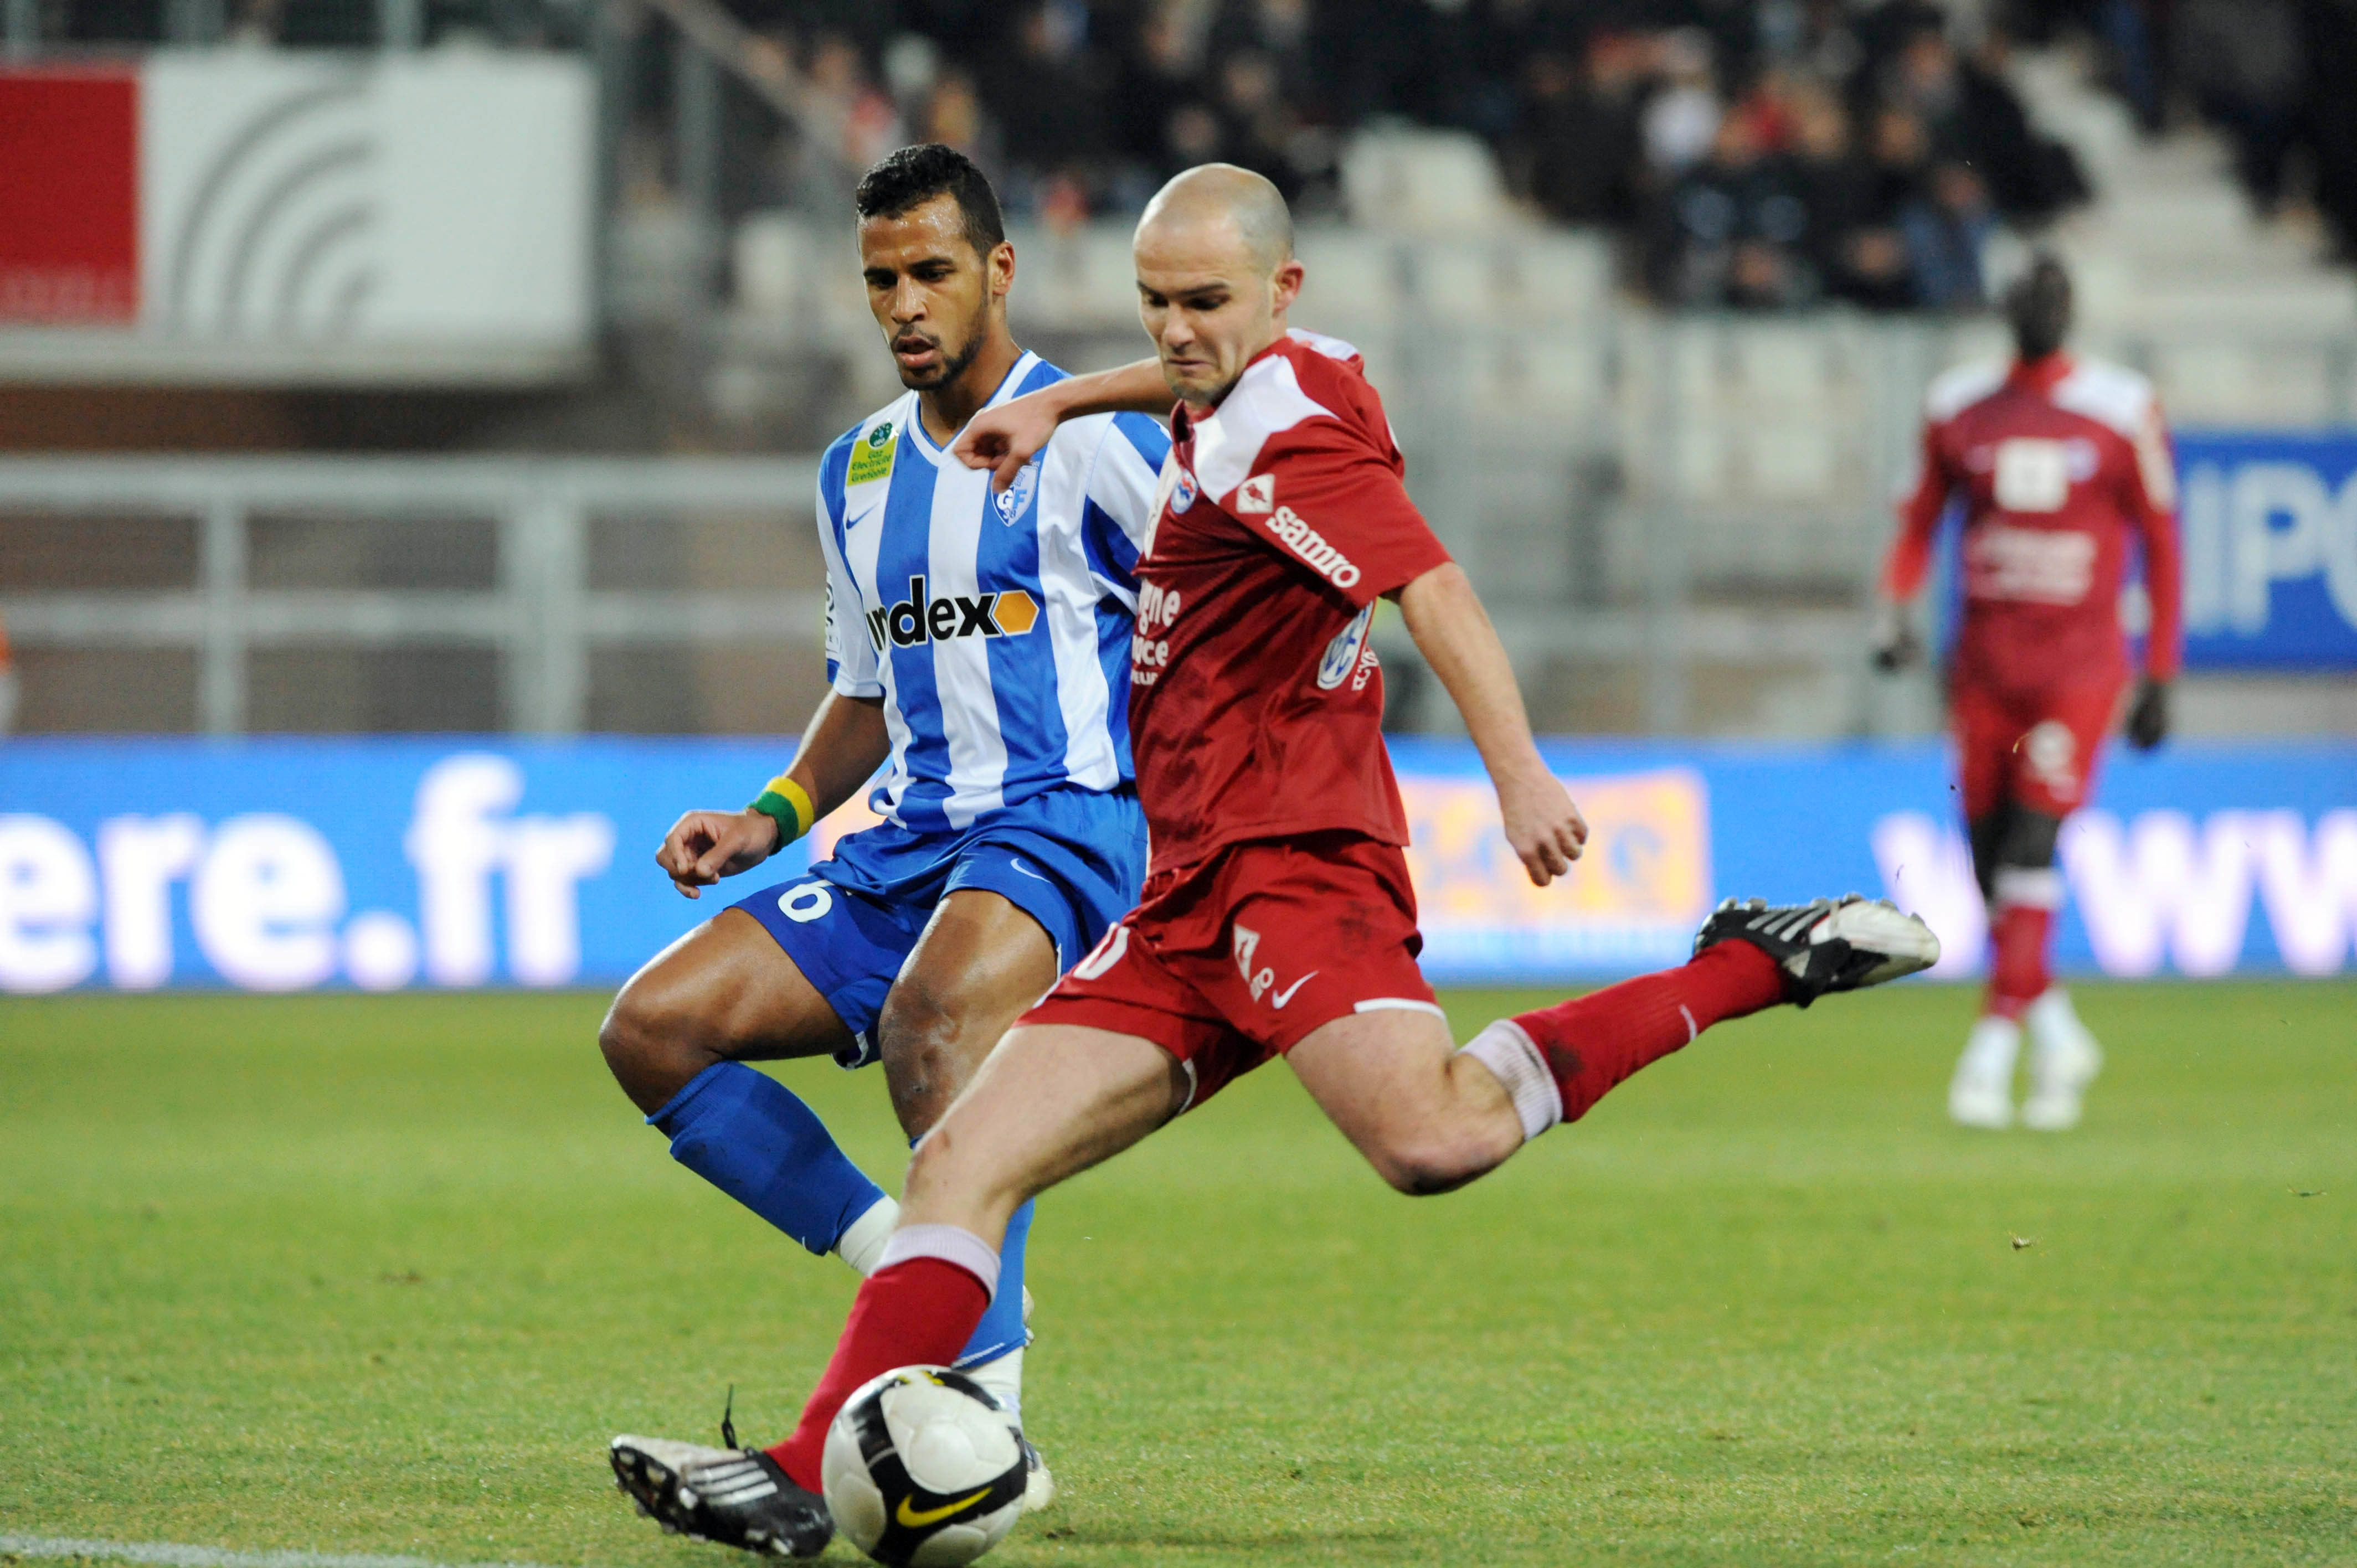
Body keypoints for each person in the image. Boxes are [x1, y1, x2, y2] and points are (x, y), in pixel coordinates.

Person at [636, 162, 1942, 1559]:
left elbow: (1430, 585)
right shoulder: (1250, 379)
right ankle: (797, 1474)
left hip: (1294, 868)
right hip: (1185, 890)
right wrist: (1064, 401)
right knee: (960, 1161)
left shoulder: (1295, 438)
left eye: (1203, 302)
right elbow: (1195, 377)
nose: (1175, 331)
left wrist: (1517, 774)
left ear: (1282, 290)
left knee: (1431, 1142)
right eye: (1154, 301)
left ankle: (1744, 967)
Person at [599, 142, 1171, 1543]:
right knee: (652, 1031)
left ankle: (986, 1401)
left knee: (934, 1023)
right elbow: (864, 689)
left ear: (998, 270)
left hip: (1064, 822)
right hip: (905, 841)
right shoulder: (854, 471)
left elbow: (1211, 622)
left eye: (931, 271)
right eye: (880, 281)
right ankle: (911, 1263)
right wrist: (773, 816)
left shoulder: (1095, 440)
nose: (905, 304)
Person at [1872, 253, 2182, 1132]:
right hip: (1982, 675)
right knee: (1989, 866)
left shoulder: (2124, 408)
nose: (2041, 307)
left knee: (2034, 846)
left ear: (2071, 308)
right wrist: (1894, 612)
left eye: (2054, 295)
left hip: (2077, 674)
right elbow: (1916, 524)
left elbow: (2164, 543)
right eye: (2027, 295)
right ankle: (2057, 1032)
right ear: (2005, 307)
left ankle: (1990, 1051)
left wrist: (2160, 670)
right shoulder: (1957, 406)